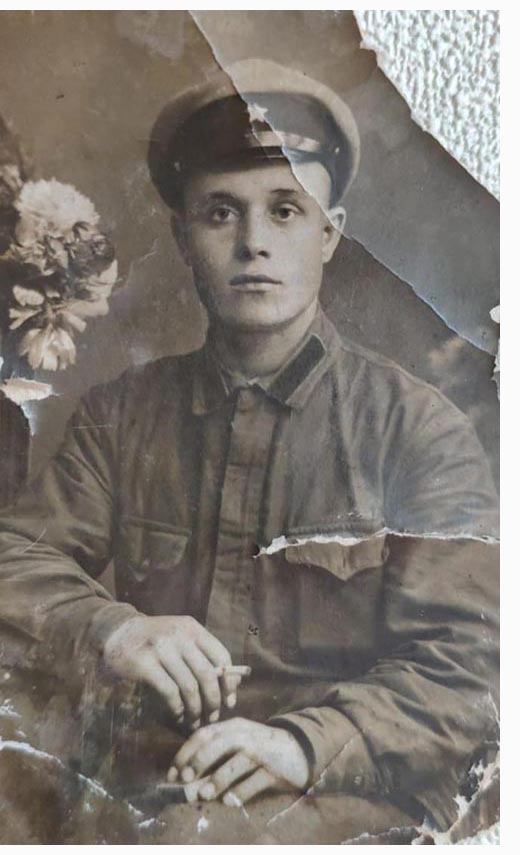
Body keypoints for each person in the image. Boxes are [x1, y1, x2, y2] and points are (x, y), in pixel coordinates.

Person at [0, 60, 499, 844]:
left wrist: (307, 743)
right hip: (154, 771)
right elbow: (14, 560)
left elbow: (474, 666)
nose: (254, 243)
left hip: (342, 791)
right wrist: (112, 629)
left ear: (330, 234)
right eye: (221, 212)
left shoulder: (415, 431)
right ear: (182, 237)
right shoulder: (121, 415)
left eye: (286, 210)